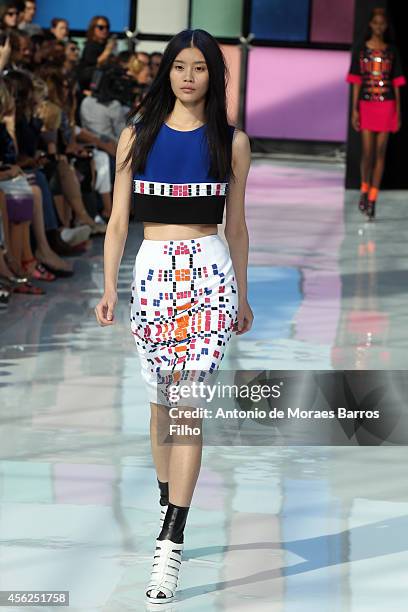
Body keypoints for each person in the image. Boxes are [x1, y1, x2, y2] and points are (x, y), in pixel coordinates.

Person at [94, 28, 253, 603]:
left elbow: (236, 224)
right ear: (167, 72)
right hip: (153, 270)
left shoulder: (230, 141)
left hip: (209, 275)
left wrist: (244, 292)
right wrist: (109, 286)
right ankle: (169, 497)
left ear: (215, 74)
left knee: (188, 404)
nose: (189, 77)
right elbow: (116, 223)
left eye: (201, 68)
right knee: (162, 404)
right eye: (180, 66)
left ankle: (171, 540)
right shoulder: (135, 136)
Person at [347, 7, 406, 219]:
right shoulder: (361, 50)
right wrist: (354, 109)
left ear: (386, 26)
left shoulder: (391, 51)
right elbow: (355, 81)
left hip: (387, 104)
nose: (379, 26)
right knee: (368, 153)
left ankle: (372, 198)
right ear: (371, 24)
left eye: (383, 23)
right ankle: (364, 188)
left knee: (380, 153)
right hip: (366, 104)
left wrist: (398, 112)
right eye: (376, 22)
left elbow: (397, 83)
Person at [77, 16, 116, 90]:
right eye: (101, 27)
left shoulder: (105, 46)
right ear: (93, 29)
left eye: (107, 27)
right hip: (90, 88)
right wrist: (107, 51)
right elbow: (97, 64)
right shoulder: (90, 46)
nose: (105, 30)